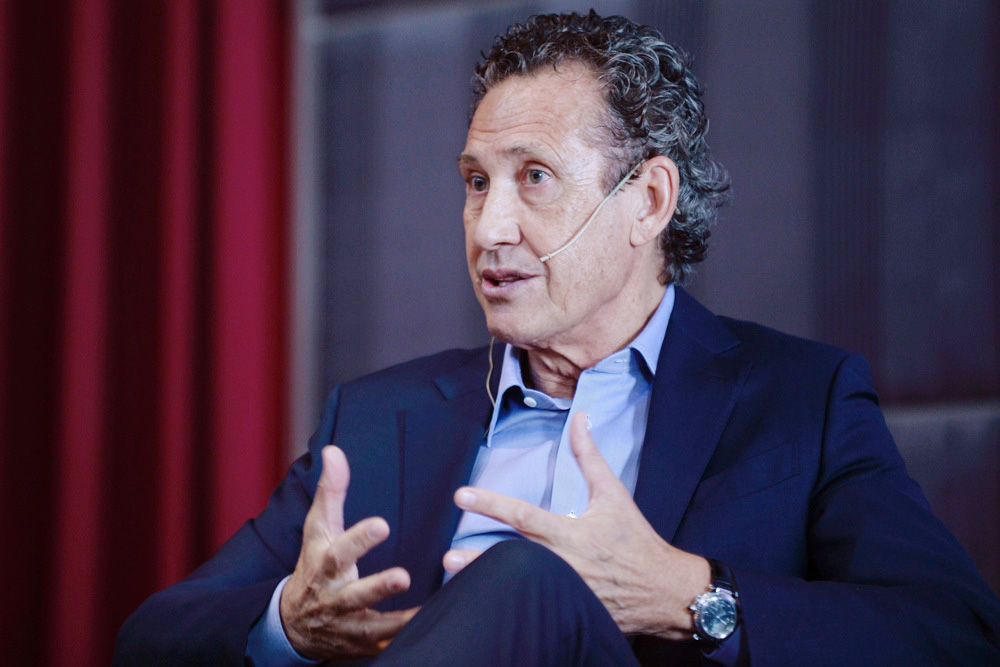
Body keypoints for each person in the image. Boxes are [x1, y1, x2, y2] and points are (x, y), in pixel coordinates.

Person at [115, 11, 1000, 666]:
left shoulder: (801, 401)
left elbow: (954, 634)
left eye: (533, 177)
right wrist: (289, 622)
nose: (489, 227)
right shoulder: (377, 418)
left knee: (523, 577)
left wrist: (692, 596)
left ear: (647, 201)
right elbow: (151, 637)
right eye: (475, 182)